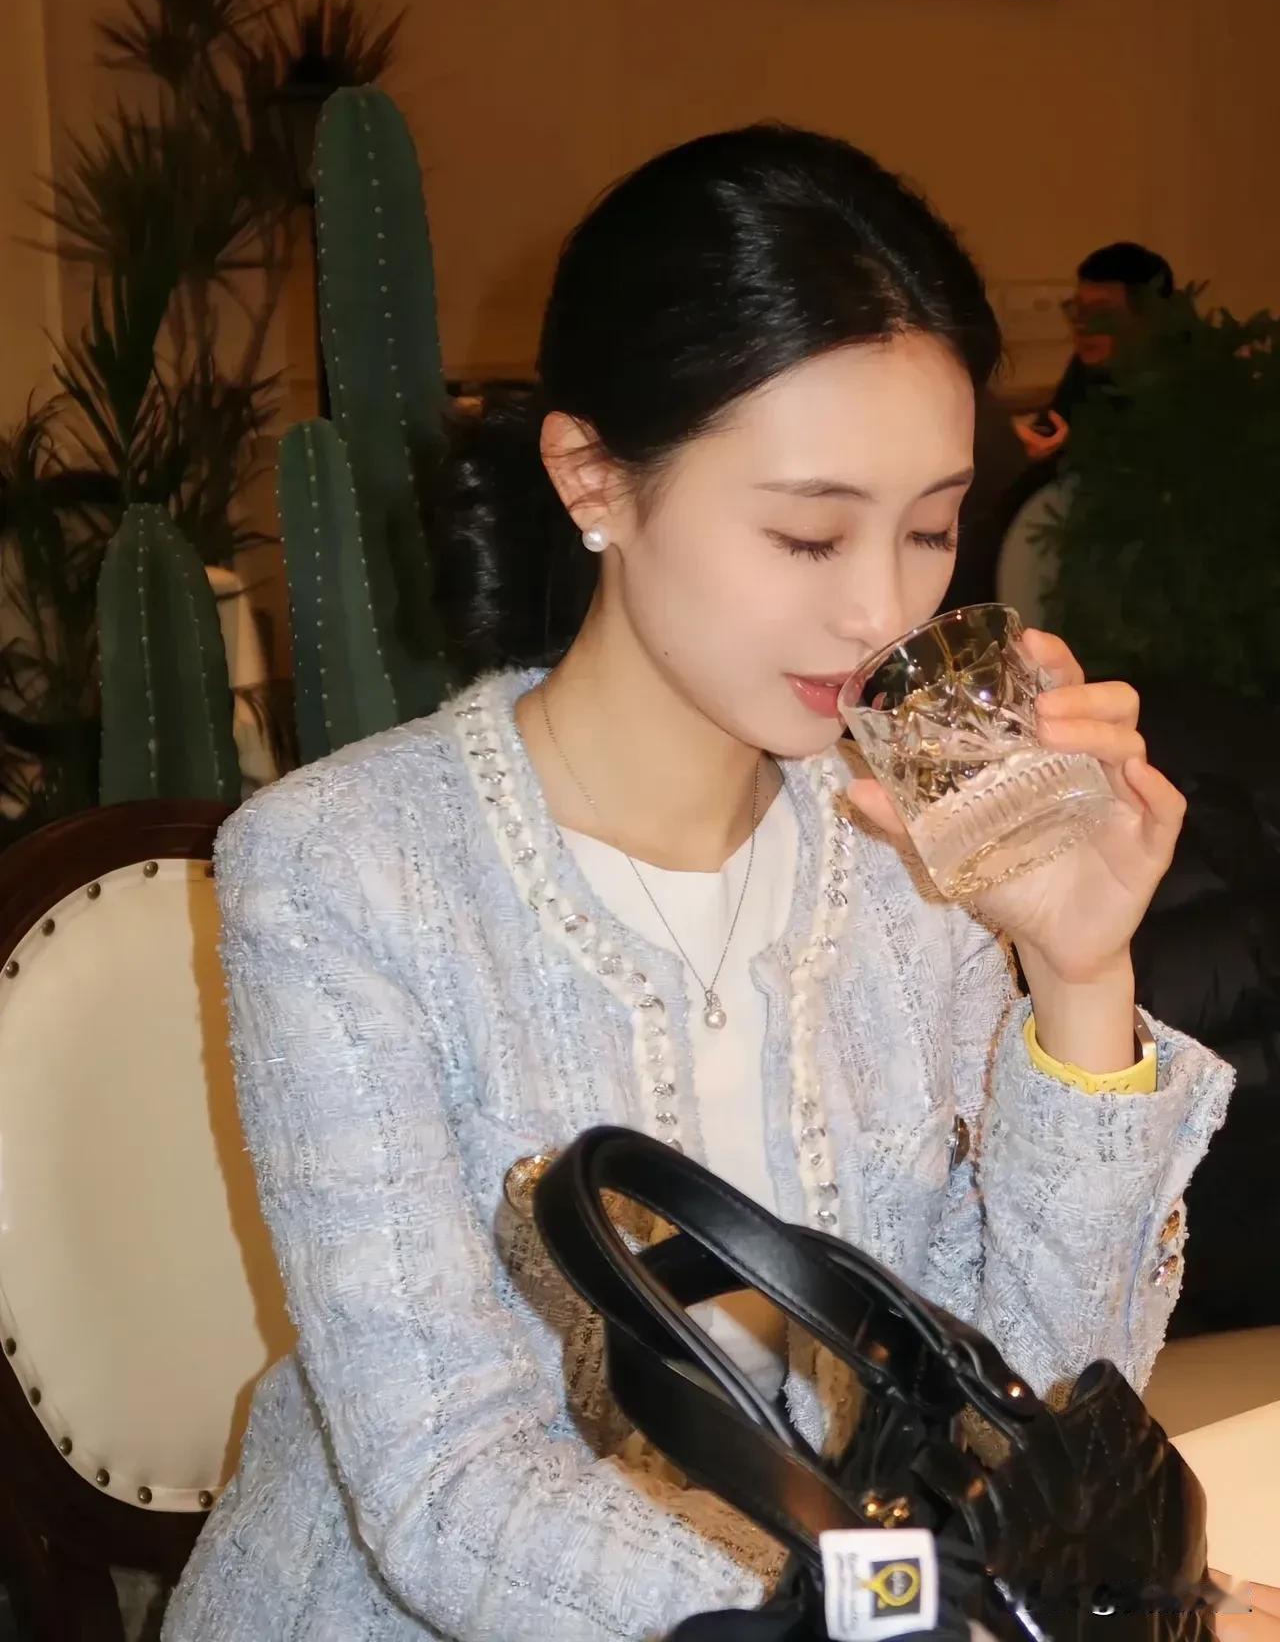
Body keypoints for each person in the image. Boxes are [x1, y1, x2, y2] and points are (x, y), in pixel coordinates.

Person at [163, 128, 1242, 1642]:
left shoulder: (904, 856)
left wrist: (1079, 981)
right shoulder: (344, 871)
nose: (881, 609)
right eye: (808, 532)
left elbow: (1035, 1407)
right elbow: (451, 1493)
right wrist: (899, 1620)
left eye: (931, 527)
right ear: (593, 479)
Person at [1012, 240, 1175, 463]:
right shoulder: (1087, 367)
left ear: (1149, 319)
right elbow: (1050, 429)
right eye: (1078, 310)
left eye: (1101, 313)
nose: (1082, 325)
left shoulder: (1186, 389)